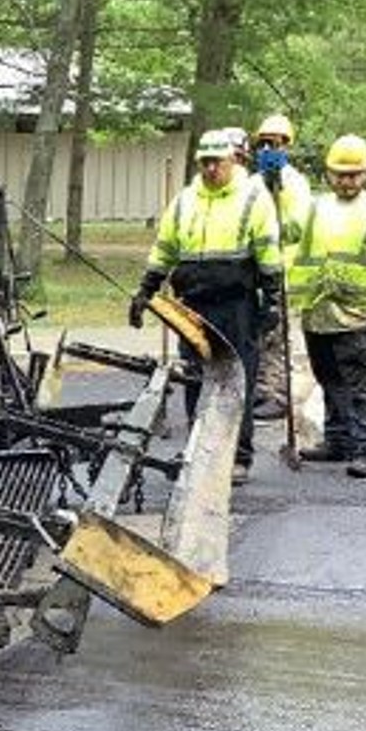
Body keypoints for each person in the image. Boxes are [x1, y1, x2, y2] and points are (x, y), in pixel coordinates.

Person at [129, 128, 284, 483]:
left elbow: (269, 254)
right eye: (206, 162)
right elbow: (165, 249)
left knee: (236, 379)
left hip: (236, 304)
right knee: (196, 378)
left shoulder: (253, 197)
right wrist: (146, 290)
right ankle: (199, 450)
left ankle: (237, 457)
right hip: (193, 305)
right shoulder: (185, 200)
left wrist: (272, 301)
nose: (212, 169)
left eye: (218, 162)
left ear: (233, 160)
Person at [289, 135, 366, 478]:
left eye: (354, 174)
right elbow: (289, 232)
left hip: (357, 313)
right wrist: (276, 186)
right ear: (328, 173)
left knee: (357, 383)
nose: (347, 181)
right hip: (317, 309)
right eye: (340, 174)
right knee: (327, 377)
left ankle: (364, 449)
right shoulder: (316, 207)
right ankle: (338, 440)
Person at [251, 113, 315, 422]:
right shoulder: (250, 183)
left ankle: (277, 394)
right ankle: (258, 388)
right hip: (252, 272)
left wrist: (277, 197)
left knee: (276, 334)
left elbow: (298, 229)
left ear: (286, 146)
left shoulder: (296, 184)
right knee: (256, 333)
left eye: (274, 143)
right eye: (263, 143)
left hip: (283, 272)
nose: (268, 149)